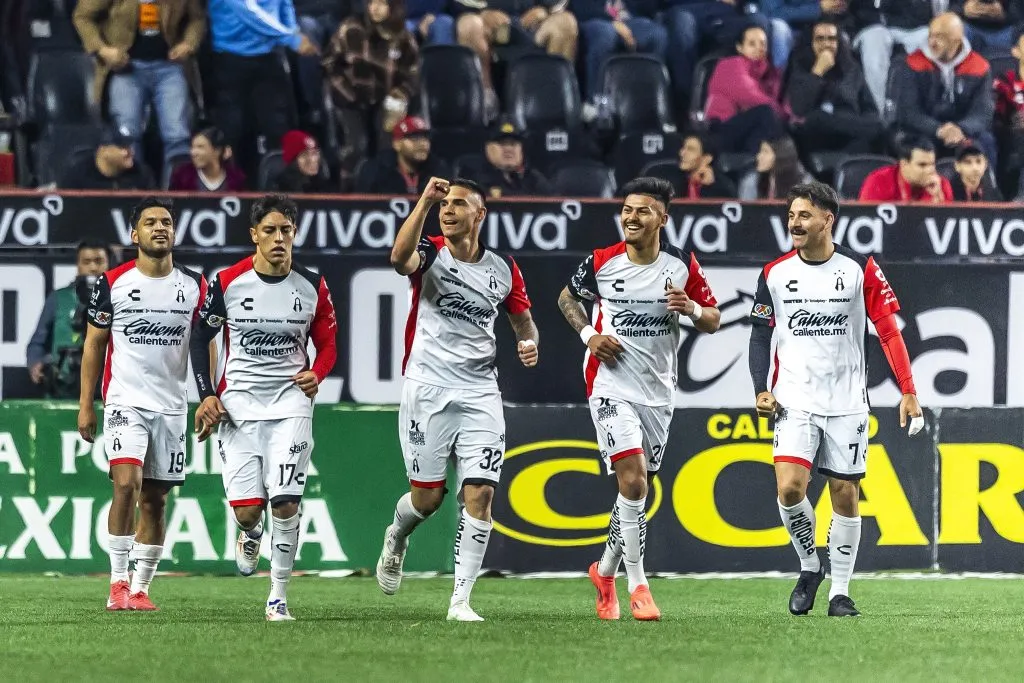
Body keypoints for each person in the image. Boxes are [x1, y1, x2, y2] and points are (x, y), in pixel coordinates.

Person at [747, 181, 924, 618]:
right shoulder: (774, 273)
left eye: (804, 216)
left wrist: (908, 390)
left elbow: (888, 331)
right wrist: (760, 388)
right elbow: (759, 335)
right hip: (793, 400)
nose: (794, 223)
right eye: (791, 215)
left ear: (828, 219)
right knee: (790, 489)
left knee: (845, 493)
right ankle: (811, 565)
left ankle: (840, 593)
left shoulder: (861, 268)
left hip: (847, 402)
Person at [556, 176, 721, 621]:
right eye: (626, 209)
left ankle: (604, 572)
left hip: (658, 392)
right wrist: (589, 336)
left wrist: (691, 308)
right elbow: (567, 299)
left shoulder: (681, 265)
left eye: (642, 210)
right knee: (632, 483)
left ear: (662, 218)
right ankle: (639, 586)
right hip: (609, 385)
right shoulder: (601, 261)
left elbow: (713, 319)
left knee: (635, 491)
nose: (631, 217)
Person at [375, 177, 538, 622]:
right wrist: (423, 203)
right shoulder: (430, 252)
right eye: (444, 203)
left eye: (458, 203)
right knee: (426, 501)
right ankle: (397, 535)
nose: (448, 210)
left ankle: (460, 601)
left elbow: (523, 322)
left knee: (480, 494)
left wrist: (529, 343)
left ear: (479, 214)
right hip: (427, 388)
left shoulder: (503, 268)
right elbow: (398, 259)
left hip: (481, 391)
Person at [189, 194, 338, 621]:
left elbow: (328, 344)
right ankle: (251, 532)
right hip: (238, 405)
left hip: (291, 403)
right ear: (254, 234)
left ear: (295, 233)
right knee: (248, 511)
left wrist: (318, 373)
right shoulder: (228, 282)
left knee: (286, 502)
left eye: (285, 230)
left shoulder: (312, 285)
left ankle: (278, 597)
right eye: (269, 230)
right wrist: (207, 394)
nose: (278, 238)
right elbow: (200, 338)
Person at [76, 197, 208, 612]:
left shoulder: (195, 285)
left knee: (156, 500)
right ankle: (117, 581)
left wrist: (209, 395)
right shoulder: (112, 282)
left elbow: (206, 344)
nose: (159, 227)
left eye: (166, 221)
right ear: (135, 234)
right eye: (150, 222)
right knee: (125, 485)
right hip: (124, 400)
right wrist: (86, 404)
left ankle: (140, 588)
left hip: (171, 406)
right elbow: (94, 344)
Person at [72, 0, 206, 174]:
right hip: (125, 68)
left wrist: (188, 44)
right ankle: (133, 187)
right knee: (127, 135)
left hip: (170, 66)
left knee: (178, 135)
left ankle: (177, 187)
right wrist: (102, 49)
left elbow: (197, 19)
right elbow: (83, 16)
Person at [322, 0, 419, 187]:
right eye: (372, 2)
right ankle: (348, 192)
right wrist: (345, 91)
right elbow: (328, 63)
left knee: (388, 146)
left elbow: (413, 74)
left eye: (381, 3)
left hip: (385, 100)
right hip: (350, 100)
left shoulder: (403, 36)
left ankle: (383, 190)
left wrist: (401, 93)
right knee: (357, 146)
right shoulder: (351, 28)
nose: (374, 8)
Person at [895, 12, 996, 163]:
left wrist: (961, 129)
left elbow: (982, 112)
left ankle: (986, 179)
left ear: (956, 40)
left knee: (985, 142)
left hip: (963, 131)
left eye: (940, 37)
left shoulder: (979, 66)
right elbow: (909, 111)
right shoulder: (912, 63)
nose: (932, 42)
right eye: (931, 36)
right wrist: (939, 129)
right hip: (925, 131)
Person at [786, 19, 886, 154]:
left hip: (851, 132)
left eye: (832, 39)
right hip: (817, 135)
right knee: (818, 118)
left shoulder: (851, 68)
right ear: (811, 43)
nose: (826, 44)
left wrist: (864, 123)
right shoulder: (800, 64)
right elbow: (799, 108)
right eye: (820, 39)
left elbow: (870, 109)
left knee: (879, 129)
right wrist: (818, 71)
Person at [27, 240, 110, 399]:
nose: (93, 267)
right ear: (78, 265)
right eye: (86, 262)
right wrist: (35, 363)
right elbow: (37, 342)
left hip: (106, 390)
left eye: (99, 261)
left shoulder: (119, 299)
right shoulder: (59, 298)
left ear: (108, 263)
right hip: (62, 388)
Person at [704, 25, 788, 154]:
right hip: (721, 128)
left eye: (763, 43)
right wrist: (782, 114)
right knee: (766, 113)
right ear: (740, 47)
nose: (759, 48)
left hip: (746, 128)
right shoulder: (730, 65)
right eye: (752, 44)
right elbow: (751, 97)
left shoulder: (769, 72)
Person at [850, 0, 935, 114]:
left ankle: (927, 111)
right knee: (875, 45)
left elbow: (923, 11)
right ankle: (878, 112)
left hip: (911, 28)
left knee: (930, 38)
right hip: (871, 27)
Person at [354, 115, 452, 194]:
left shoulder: (438, 170)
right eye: (414, 138)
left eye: (425, 138)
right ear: (397, 144)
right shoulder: (376, 171)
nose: (422, 144)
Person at [461, 116, 550, 197]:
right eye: (502, 143)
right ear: (487, 148)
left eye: (513, 144)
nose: (508, 149)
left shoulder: (534, 179)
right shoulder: (474, 181)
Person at [59, 125, 156, 190]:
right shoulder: (78, 175)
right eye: (122, 147)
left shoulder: (141, 174)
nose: (130, 152)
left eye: (129, 146)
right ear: (104, 151)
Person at [859, 137, 952, 202]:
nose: (930, 170)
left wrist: (937, 199)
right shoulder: (879, 181)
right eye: (922, 165)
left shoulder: (941, 185)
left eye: (932, 164)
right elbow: (867, 218)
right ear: (904, 164)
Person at [650, 132, 736, 198]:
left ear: (706, 159)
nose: (682, 153)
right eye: (683, 148)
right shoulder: (670, 179)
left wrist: (708, 187)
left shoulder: (722, 187)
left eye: (691, 149)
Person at [168, 126, 247, 192]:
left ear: (217, 151)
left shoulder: (237, 180)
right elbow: (169, 203)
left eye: (200, 147)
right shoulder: (182, 178)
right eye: (192, 147)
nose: (193, 152)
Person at [738, 137, 811, 200]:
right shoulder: (752, 182)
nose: (758, 156)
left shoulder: (805, 183)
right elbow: (746, 209)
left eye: (765, 152)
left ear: (780, 157)